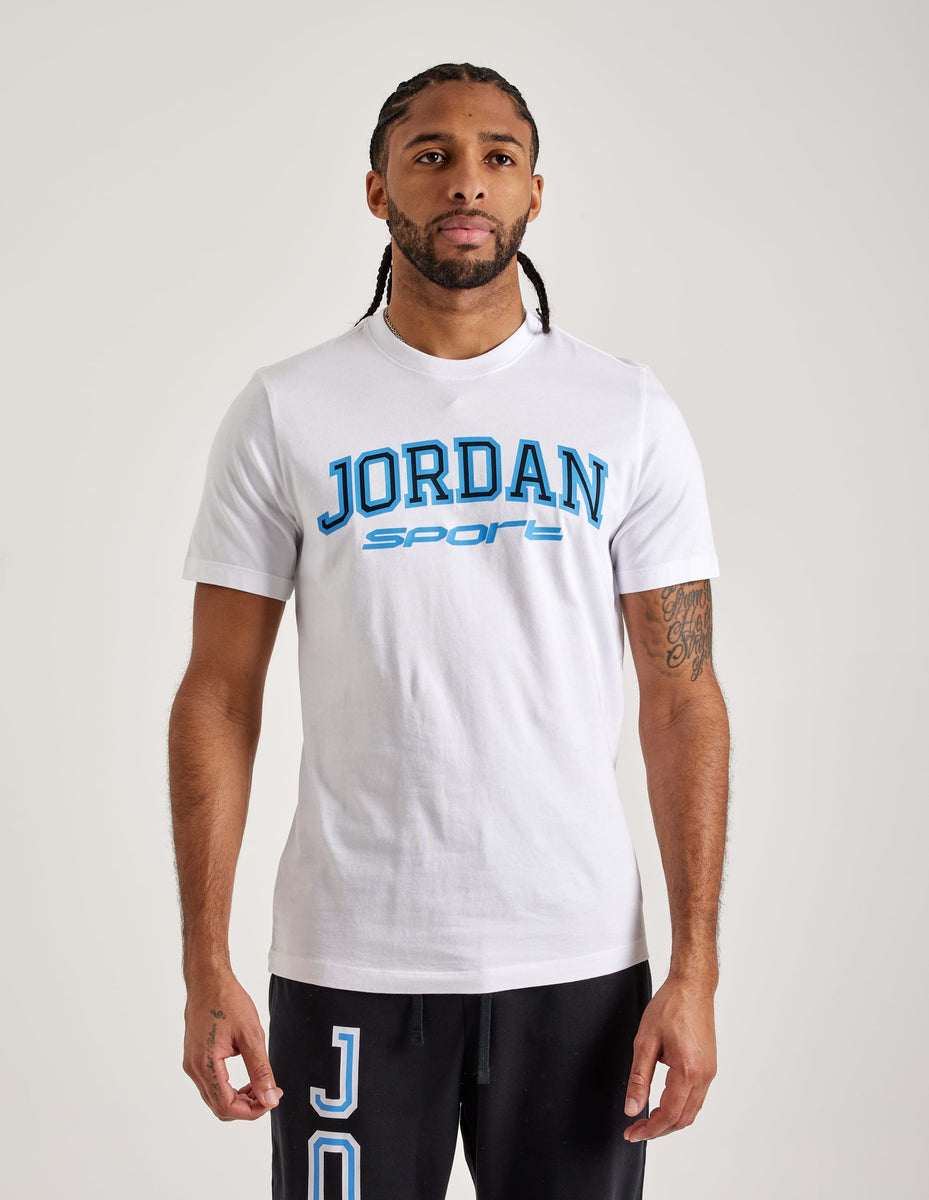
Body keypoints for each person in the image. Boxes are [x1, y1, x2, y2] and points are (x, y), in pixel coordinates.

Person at [169, 61, 730, 1200]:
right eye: (431, 155)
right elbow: (219, 692)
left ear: (534, 193)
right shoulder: (286, 410)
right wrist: (203, 962)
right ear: (379, 190)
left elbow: (683, 696)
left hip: (577, 958)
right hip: (349, 957)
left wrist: (697, 969)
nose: (466, 180)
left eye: (496, 156)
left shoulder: (625, 411)